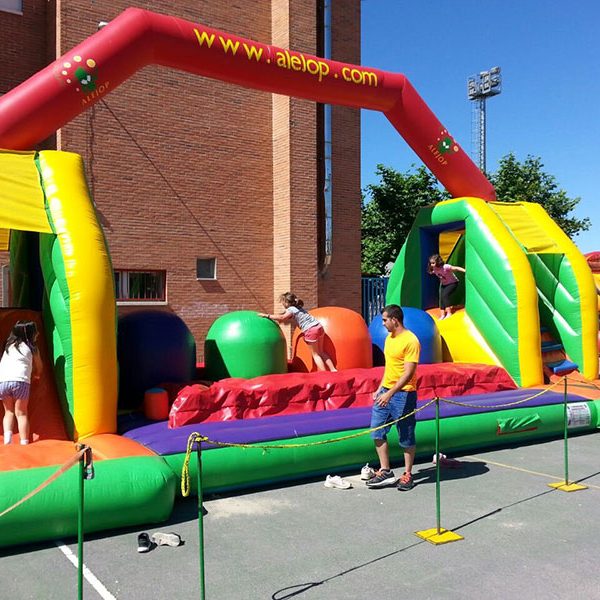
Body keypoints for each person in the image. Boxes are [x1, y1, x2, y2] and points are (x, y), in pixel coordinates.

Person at [366, 304, 420, 491]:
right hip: (386, 392)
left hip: (403, 394)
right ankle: (385, 470)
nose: (383, 324)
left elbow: (407, 373)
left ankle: (407, 474)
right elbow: (390, 368)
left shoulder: (411, 340)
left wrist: (391, 393)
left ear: (394, 320)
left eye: (384, 320)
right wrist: (381, 389)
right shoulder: (389, 338)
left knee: (405, 434)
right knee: (377, 430)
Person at [258, 292, 337, 372]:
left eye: (283, 302)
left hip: (311, 330)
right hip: (319, 326)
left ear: (286, 302)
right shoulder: (298, 307)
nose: (282, 304)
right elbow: (285, 316)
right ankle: (333, 370)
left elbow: (282, 317)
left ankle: (324, 373)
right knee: (322, 352)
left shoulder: (291, 309)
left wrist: (267, 315)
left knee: (316, 354)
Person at [0, 320, 42, 445]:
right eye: (36, 332)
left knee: (8, 412)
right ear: (30, 334)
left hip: (3, 381)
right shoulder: (32, 348)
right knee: (21, 413)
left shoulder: (8, 345)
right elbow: (39, 366)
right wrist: (37, 374)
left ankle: (8, 439)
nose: (38, 334)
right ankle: (24, 442)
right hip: (20, 381)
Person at [427, 254, 466, 320]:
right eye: (431, 263)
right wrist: (431, 271)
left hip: (453, 283)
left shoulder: (445, 267)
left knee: (445, 295)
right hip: (444, 284)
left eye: (433, 263)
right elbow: (431, 271)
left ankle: (449, 313)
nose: (432, 265)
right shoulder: (434, 268)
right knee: (441, 298)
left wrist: (465, 271)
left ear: (438, 262)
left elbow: (456, 268)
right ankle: (442, 315)